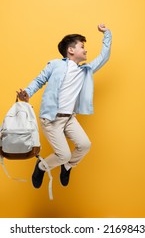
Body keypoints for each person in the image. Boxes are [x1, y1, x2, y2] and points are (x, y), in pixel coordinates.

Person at [17, 24, 112, 189]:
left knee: (84, 145)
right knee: (64, 154)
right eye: (82, 46)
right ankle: (41, 166)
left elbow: (103, 56)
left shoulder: (85, 71)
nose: (86, 50)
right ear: (71, 50)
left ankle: (68, 166)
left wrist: (107, 34)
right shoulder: (55, 64)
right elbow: (39, 80)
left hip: (69, 119)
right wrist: (28, 93)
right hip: (51, 119)